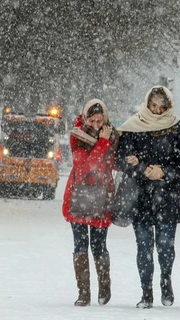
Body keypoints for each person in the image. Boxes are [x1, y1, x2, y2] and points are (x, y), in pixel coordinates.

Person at [114, 86, 180, 309]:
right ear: (147, 104)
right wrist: (141, 169)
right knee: (143, 245)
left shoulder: (176, 126)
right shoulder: (134, 125)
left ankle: (166, 280)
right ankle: (146, 292)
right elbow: (120, 158)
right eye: (153, 106)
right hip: (139, 196)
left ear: (169, 106)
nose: (158, 111)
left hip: (167, 195)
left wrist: (164, 172)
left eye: (162, 107)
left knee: (166, 245)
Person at [62, 99, 119, 307]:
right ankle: (83, 292)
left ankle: (104, 288)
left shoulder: (114, 136)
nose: (96, 125)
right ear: (85, 119)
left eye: (100, 120)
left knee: (99, 245)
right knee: (80, 245)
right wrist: (102, 143)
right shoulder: (78, 136)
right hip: (79, 195)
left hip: (102, 198)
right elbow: (86, 167)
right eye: (92, 120)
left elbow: (115, 164)